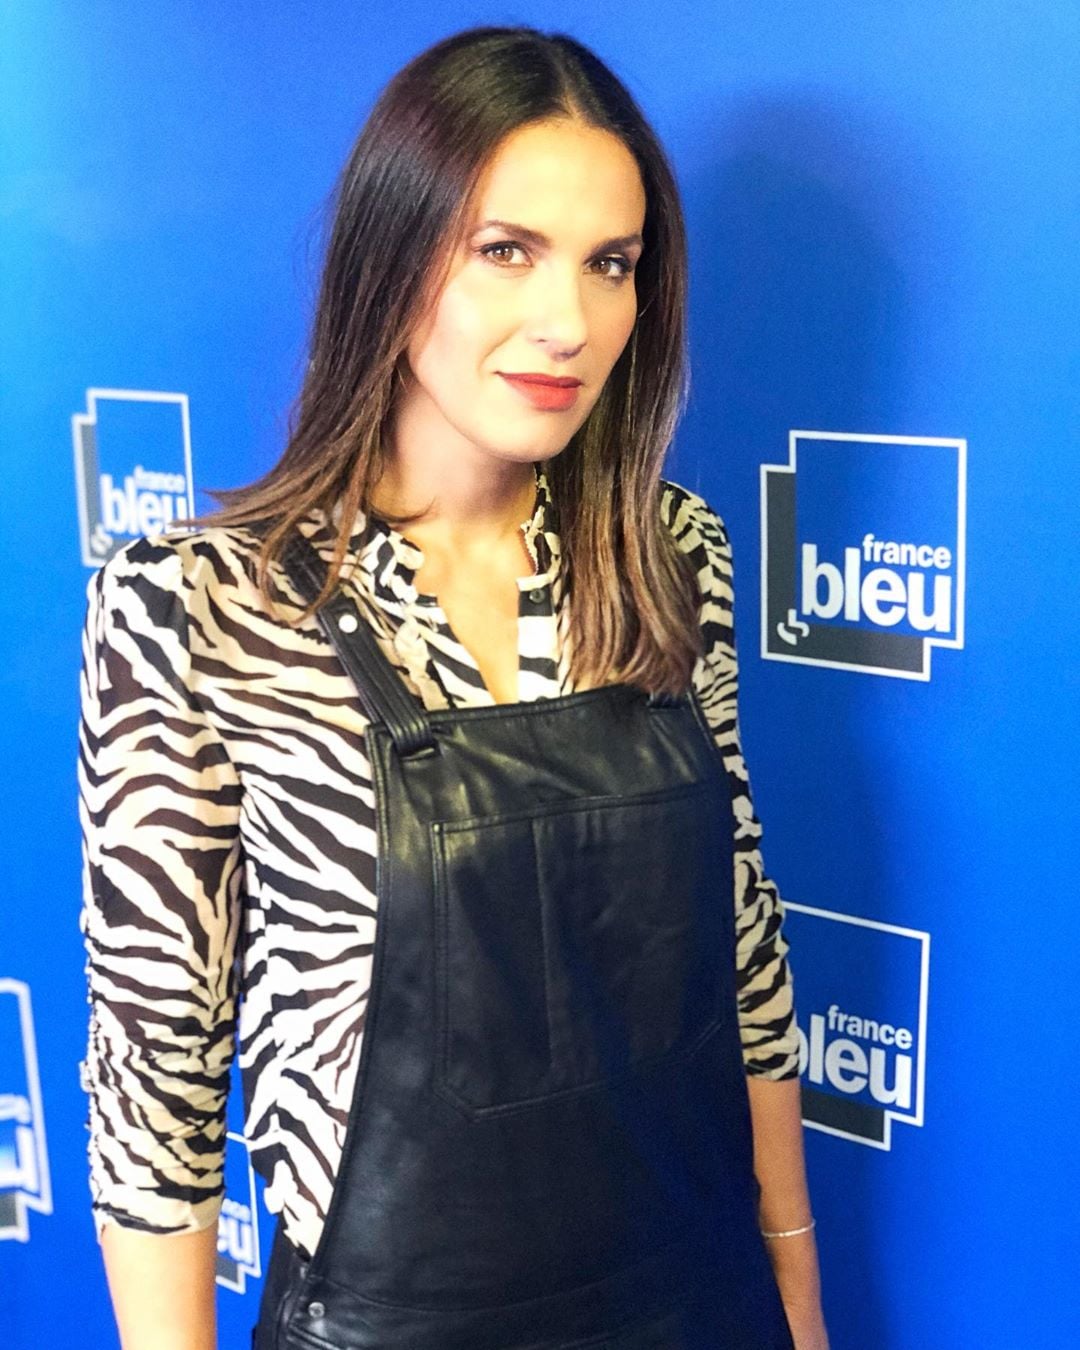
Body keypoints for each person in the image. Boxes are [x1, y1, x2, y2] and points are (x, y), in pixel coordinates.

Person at [77, 24, 829, 1350]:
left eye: (612, 264)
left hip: (691, 1304)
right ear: (393, 256)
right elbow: (156, 1082)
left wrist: (797, 1294)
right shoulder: (200, 604)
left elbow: (742, 945)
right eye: (507, 250)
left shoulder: (672, 554)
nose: (569, 322)